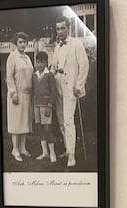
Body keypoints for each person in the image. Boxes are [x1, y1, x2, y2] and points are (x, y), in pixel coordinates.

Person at [50, 15, 88, 168]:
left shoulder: (76, 44)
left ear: (68, 28)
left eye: (62, 28)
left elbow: (84, 65)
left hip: (70, 87)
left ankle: (72, 156)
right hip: (58, 85)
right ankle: (67, 149)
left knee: (68, 120)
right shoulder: (57, 46)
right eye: (57, 29)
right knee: (60, 119)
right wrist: (52, 72)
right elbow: (53, 65)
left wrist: (79, 85)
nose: (59, 31)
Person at [5, 31, 33, 162]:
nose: (23, 44)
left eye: (24, 42)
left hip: (27, 95)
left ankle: (22, 148)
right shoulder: (12, 57)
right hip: (16, 95)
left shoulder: (27, 58)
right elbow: (9, 77)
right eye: (20, 42)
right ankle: (15, 149)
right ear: (16, 43)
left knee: (25, 122)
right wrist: (13, 93)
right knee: (16, 122)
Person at [32, 50, 57, 163]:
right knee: (40, 128)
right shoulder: (34, 75)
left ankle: (52, 153)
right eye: (38, 62)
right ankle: (44, 152)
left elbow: (54, 91)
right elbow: (33, 91)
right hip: (37, 105)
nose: (40, 65)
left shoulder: (49, 75)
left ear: (46, 63)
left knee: (47, 129)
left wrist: (49, 105)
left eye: (42, 62)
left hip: (46, 105)